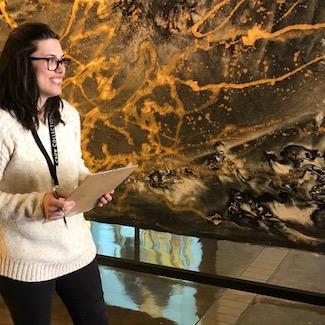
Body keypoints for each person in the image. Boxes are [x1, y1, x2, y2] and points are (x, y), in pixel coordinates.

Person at [0, 22, 112, 324]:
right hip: (26, 259)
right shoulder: (2, 124)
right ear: (24, 64)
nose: (61, 68)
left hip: (77, 249)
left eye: (63, 61)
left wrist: (92, 185)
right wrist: (37, 204)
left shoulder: (67, 114)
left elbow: (74, 168)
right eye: (51, 60)